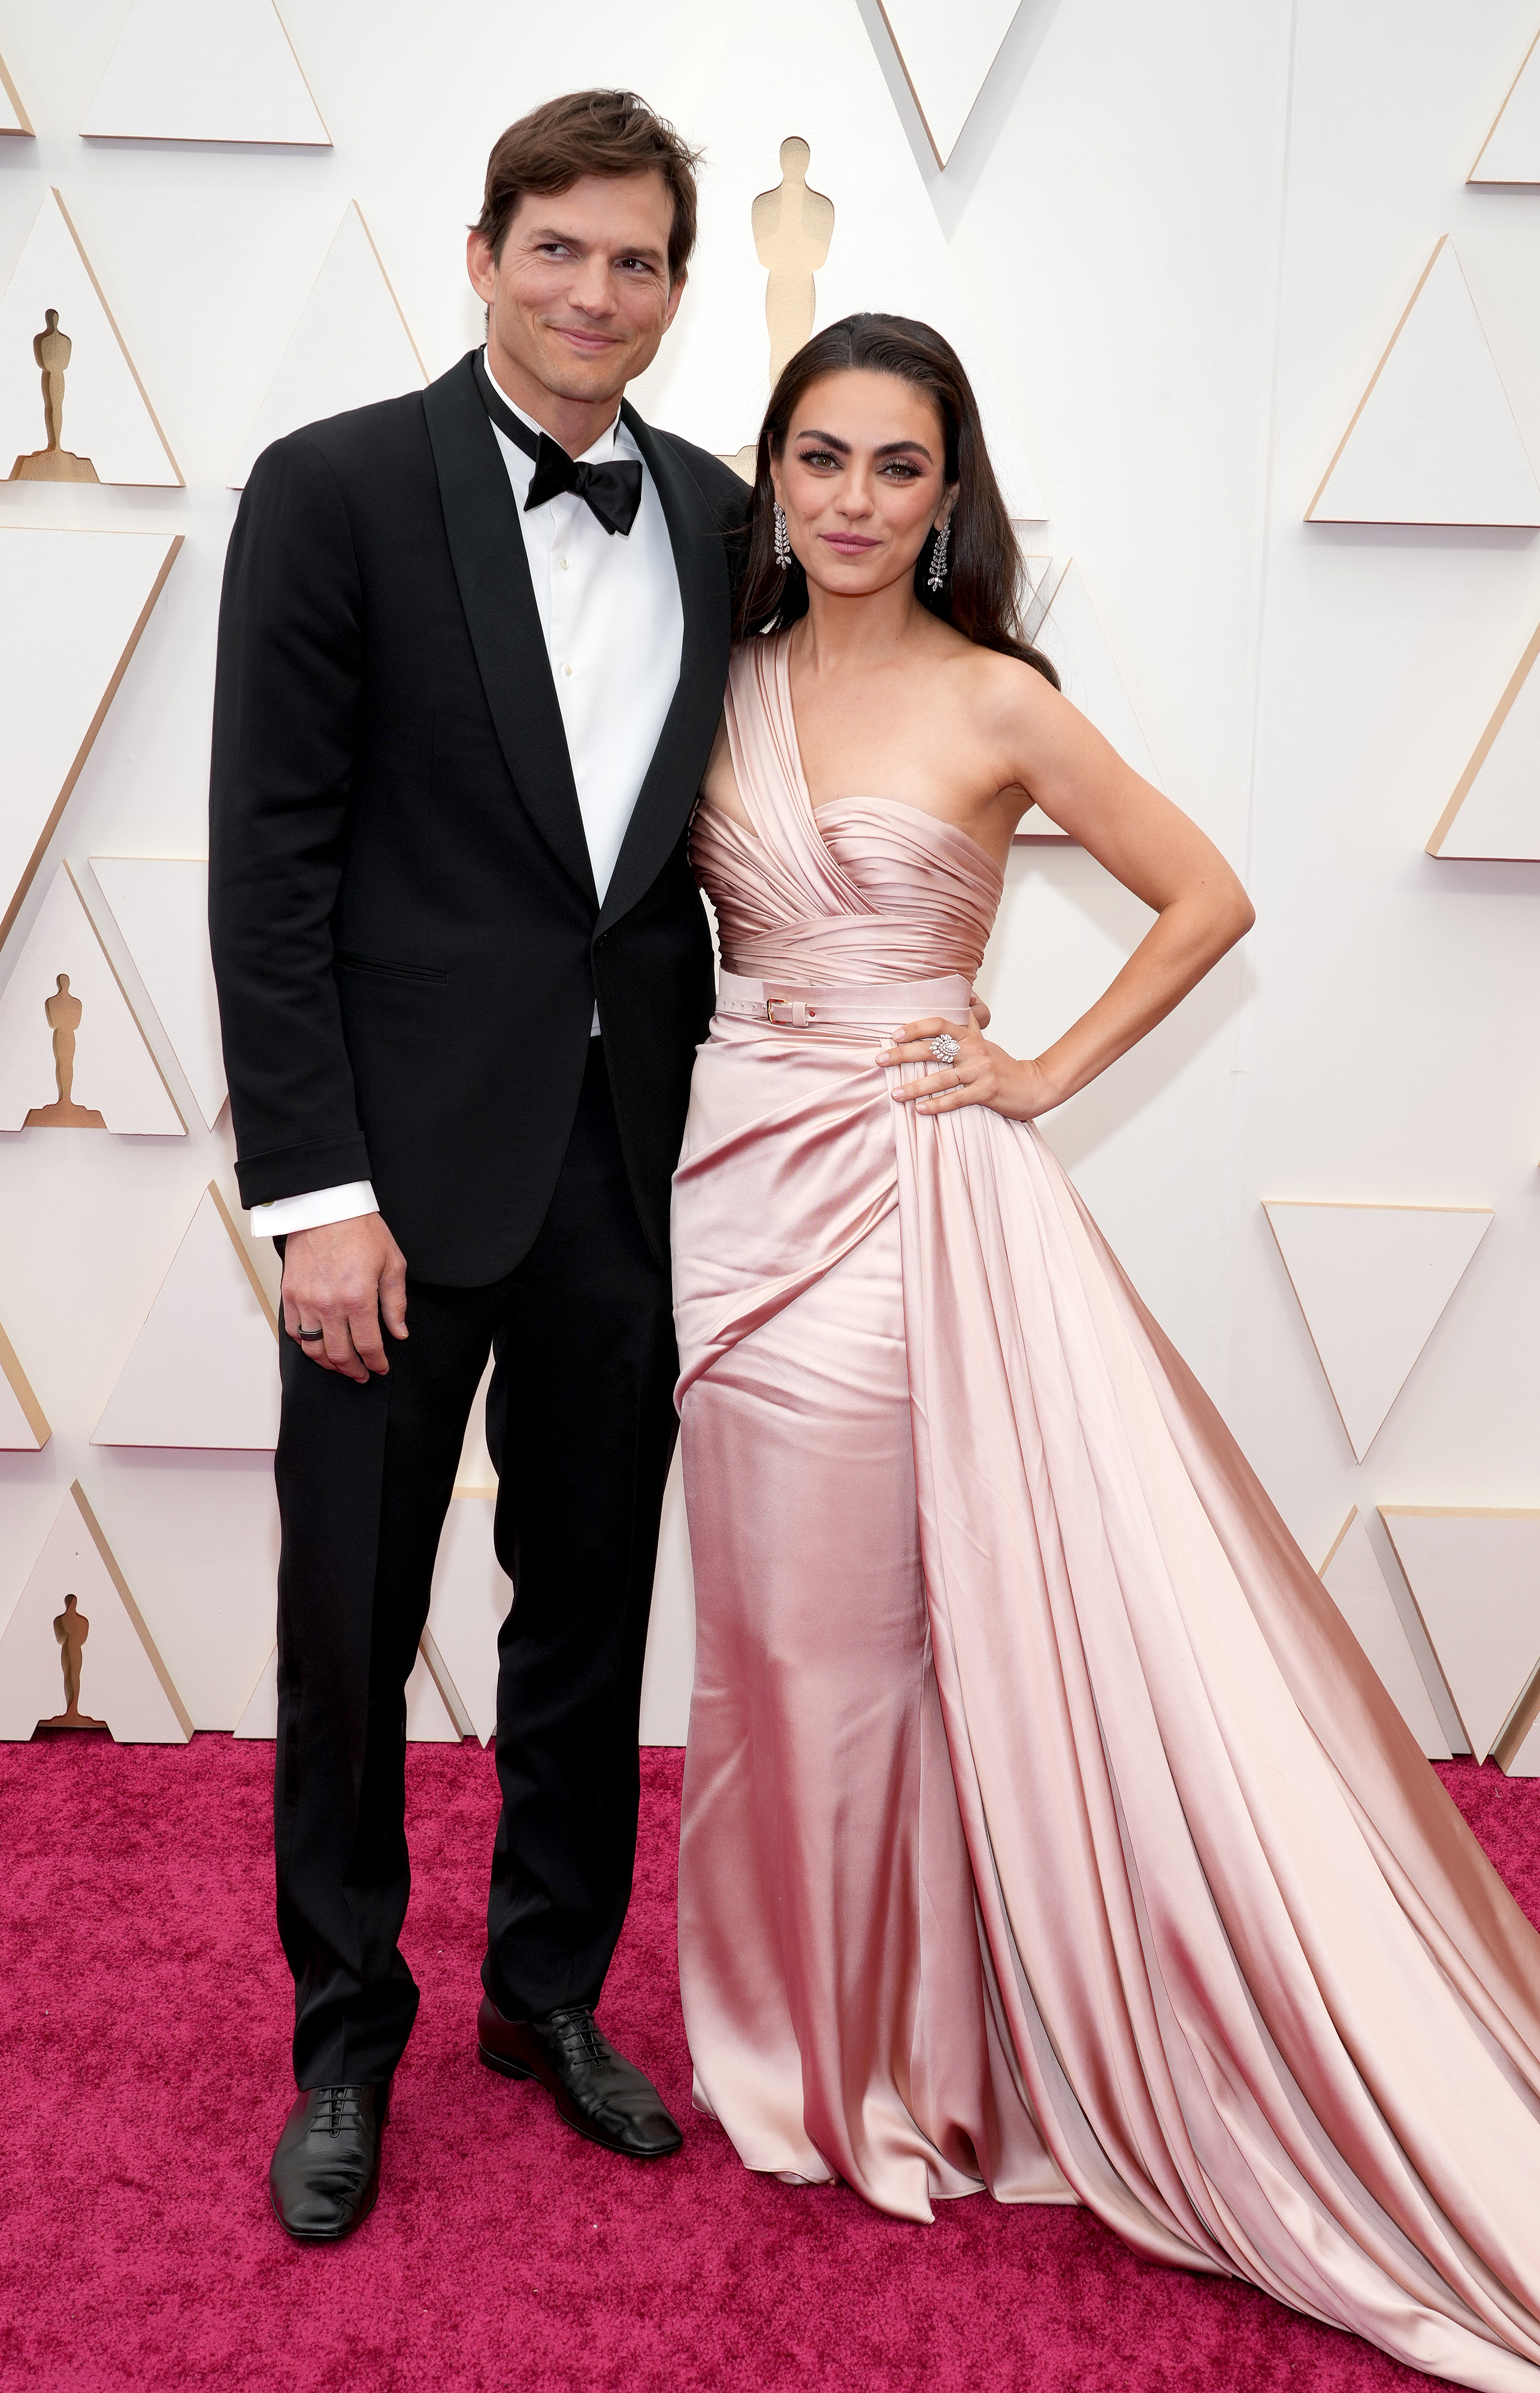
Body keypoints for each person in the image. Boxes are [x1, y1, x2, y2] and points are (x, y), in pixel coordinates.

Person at [671, 312, 1540, 2393]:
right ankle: (800, 2034)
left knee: (865, 1653)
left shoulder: (998, 698)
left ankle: (893, 2076)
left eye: (898, 467)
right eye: (822, 458)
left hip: (891, 1206)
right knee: (768, 1647)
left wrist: (1033, 1068)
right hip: (724, 1193)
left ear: (954, 498)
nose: (853, 500)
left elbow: (1205, 895)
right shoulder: (728, 680)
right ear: (771, 472)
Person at [210, 89, 746, 2243]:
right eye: (560, 250)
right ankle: (348, 2032)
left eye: (635, 262)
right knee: (350, 1615)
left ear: (675, 293)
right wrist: (312, 1192)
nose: (596, 292)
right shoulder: (333, 489)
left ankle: (549, 1995)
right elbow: (271, 861)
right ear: (483, 253)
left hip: (626, 1155)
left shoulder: (721, 513)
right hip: (392, 1190)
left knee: (591, 1605)